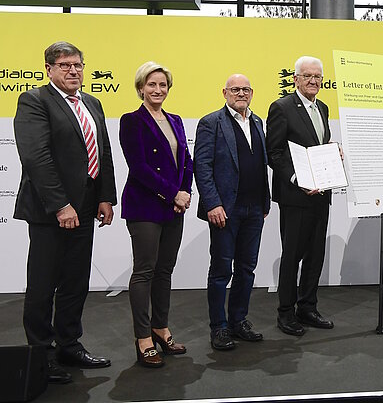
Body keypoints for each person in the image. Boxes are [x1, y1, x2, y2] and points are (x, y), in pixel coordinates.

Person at [14, 41, 116, 384]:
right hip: (50, 210)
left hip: (87, 206)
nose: (73, 71)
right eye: (64, 65)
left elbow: (102, 151)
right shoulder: (34, 101)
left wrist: (105, 197)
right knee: (43, 285)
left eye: (77, 65)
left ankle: (69, 344)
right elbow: (36, 158)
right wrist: (61, 205)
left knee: (76, 281)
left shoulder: (92, 102)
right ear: (49, 69)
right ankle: (41, 354)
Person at [119, 61, 193, 367]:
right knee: (145, 271)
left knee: (165, 270)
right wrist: (171, 193)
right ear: (140, 88)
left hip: (175, 206)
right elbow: (139, 168)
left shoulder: (175, 120)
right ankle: (143, 338)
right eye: (151, 85)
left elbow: (185, 159)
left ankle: (161, 328)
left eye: (162, 85)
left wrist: (185, 192)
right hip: (145, 205)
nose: (157, 90)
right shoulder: (131, 121)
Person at [194, 74, 270, 351]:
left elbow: (262, 163)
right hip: (225, 210)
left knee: (247, 269)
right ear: (224, 92)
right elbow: (201, 166)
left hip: (254, 209)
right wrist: (213, 203)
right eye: (235, 89)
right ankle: (219, 327)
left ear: (252, 92)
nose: (241, 93)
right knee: (221, 271)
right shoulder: (210, 123)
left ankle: (239, 321)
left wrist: (264, 203)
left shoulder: (258, 122)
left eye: (246, 89)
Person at [266, 56, 334, 336]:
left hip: (321, 195)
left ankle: (308, 307)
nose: (313, 81)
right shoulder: (281, 107)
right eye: (307, 76)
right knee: (292, 254)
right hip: (295, 196)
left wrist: (333, 156)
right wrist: (298, 179)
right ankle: (286, 312)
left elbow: (319, 147)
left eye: (317, 76)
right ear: (295, 79)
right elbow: (275, 153)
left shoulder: (324, 108)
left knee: (316, 254)